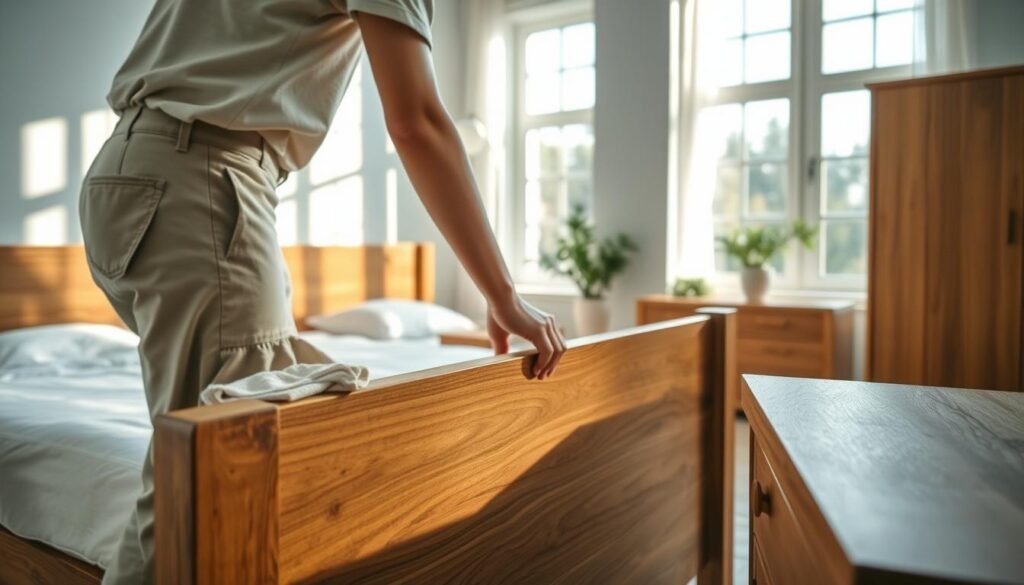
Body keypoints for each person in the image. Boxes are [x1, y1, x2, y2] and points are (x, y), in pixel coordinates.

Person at [79, 1, 566, 582]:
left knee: (190, 456)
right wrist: (502, 293)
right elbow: (418, 122)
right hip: (203, 179)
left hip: (130, 173)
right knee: (221, 476)